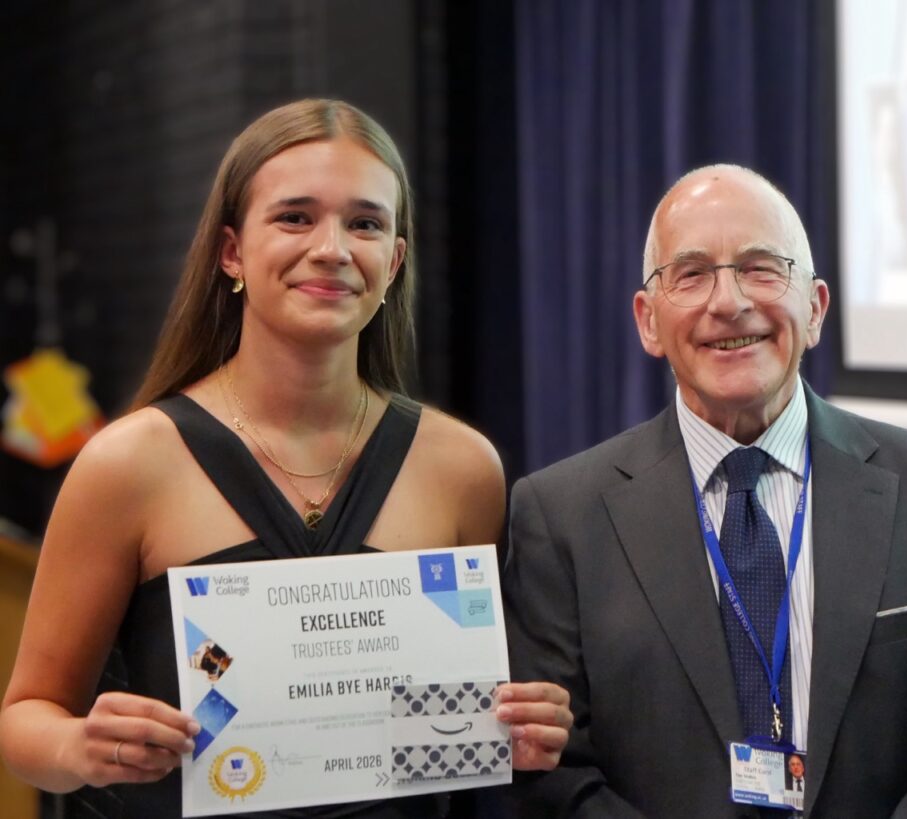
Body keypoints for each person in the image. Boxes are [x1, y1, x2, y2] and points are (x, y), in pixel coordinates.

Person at [0, 99, 571, 818]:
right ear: (231, 252)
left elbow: (458, 722)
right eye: (295, 217)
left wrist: (522, 725)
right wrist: (82, 747)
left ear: (394, 262)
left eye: (365, 223)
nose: (332, 248)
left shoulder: (462, 467)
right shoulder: (130, 463)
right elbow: (26, 720)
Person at [502, 164, 907, 817]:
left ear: (816, 308)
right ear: (648, 321)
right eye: (691, 274)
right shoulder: (559, 517)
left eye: (760, 268)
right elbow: (555, 774)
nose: (728, 302)